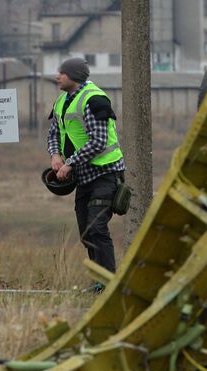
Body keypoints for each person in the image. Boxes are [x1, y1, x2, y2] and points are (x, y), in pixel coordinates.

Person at [47, 57, 125, 289]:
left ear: (74, 76)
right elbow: (54, 133)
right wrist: (55, 155)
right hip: (84, 177)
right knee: (85, 232)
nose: (57, 76)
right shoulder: (62, 101)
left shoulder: (95, 100)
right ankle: (100, 281)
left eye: (62, 72)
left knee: (97, 227)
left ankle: (109, 284)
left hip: (106, 173)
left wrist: (70, 163)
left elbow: (99, 141)